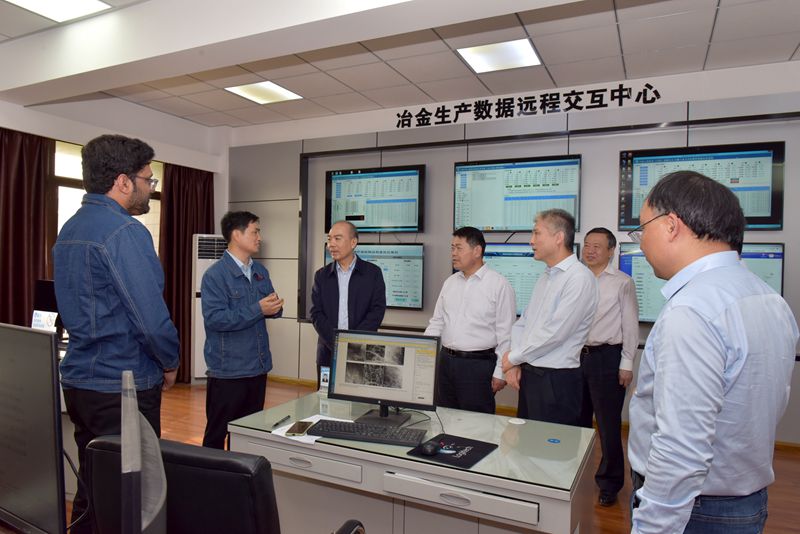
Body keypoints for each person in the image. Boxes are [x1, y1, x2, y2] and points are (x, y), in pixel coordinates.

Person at [628, 171, 798, 533]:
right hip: (746, 501)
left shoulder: (692, 310)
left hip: (693, 510)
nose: (641, 244)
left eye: (643, 229)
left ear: (671, 225)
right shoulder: (769, 298)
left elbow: (681, 448)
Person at [53, 134, 180, 533]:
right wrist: (171, 362)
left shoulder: (70, 229)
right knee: (134, 497)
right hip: (122, 386)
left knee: (93, 487)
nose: (150, 188)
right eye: (147, 179)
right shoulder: (125, 232)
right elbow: (150, 319)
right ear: (123, 182)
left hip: (81, 384)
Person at [500, 209, 598, 426]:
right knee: (526, 441)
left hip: (557, 381)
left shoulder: (579, 278)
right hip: (532, 375)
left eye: (537, 233)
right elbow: (523, 324)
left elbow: (555, 333)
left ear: (558, 237)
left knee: (551, 446)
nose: (531, 241)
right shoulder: (546, 276)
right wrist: (515, 362)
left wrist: (514, 358)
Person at [201, 211, 284, 449]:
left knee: (249, 436)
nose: (260, 237)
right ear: (236, 235)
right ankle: (211, 473)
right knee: (217, 436)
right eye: (255, 231)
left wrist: (274, 308)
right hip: (229, 372)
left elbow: (269, 307)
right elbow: (215, 319)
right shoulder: (215, 276)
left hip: (257, 368)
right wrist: (258, 309)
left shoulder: (260, 271)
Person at [424, 226, 516, 414]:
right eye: (452, 248)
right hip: (445, 362)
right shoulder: (450, 282)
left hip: (478, 366)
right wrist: (423, 355)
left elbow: (506, 334)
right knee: (444, 417)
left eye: (459, 248)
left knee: (477, 423)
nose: (453, 253)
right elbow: (437, 322)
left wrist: (500, 372)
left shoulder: (499, 285)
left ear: (477, 251)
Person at [580, 227, 639, 507]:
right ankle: (575, 477)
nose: (590, 251)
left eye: (597, 246)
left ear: (611, 251)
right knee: (576, 422)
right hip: (575, 358)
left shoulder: (622, 282)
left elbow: (630, 325)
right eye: (587, 245)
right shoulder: (576, 279)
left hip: (607, 358)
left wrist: (626, 363)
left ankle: (609, 484)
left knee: (608, 426)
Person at [310, 221, 386, 386]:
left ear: (353, 242)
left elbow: (377, 311)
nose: (331, 244)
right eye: (329, 239)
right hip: (328, 352)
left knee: (359, 397)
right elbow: (316, 313)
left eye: (337, 238)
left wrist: (353, 342)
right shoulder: (321, 276)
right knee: (325, 396)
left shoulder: (373, 273)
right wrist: (337, 342)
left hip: (362, 351)